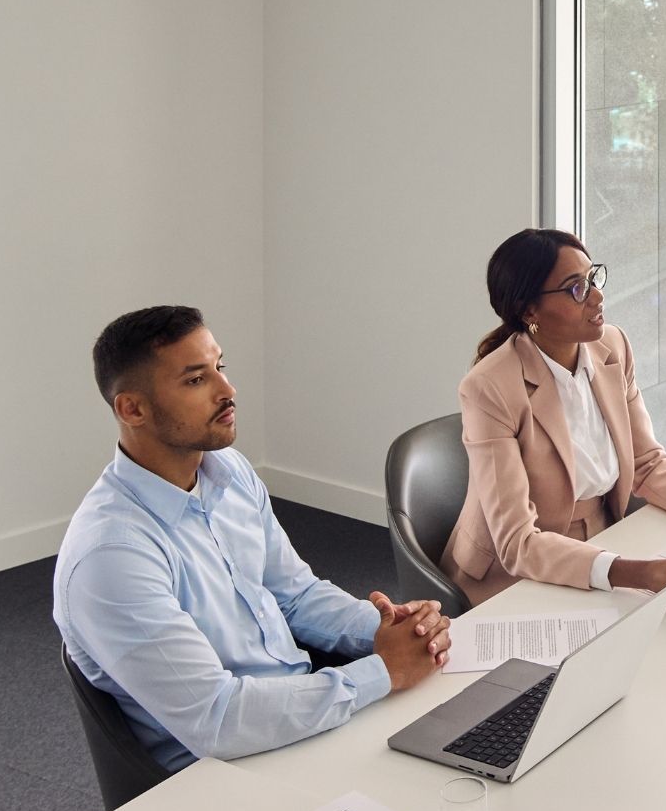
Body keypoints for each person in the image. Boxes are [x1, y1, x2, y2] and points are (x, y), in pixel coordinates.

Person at [55, 306, 451, 771]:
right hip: (225, 773)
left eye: (220, 367)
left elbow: (295, 596)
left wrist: (400, 632)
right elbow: (217, 721)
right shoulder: (113, 555)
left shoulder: (228, 472)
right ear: (132, 409)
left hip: (300, 714)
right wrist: (383, 671)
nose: (228, 390)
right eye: (195, 380)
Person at [441, 229, 666, 606]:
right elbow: (517, 543)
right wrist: (636, 573)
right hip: (512, 570)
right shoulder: (489, 387)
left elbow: (646, 461)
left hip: (604, 533)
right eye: (575, 288)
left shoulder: (612, 346)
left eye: (592, 278)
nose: (598, 296)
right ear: (529, 311)